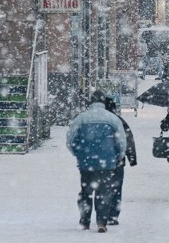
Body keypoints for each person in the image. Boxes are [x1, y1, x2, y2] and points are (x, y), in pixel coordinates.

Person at [66, 90, 127, 233]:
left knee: (86, 192)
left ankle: (84, 221)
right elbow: (122, 142)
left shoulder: (81, 118)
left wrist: (78, 154)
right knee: (103, 192)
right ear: (103, 102)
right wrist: (117, 156)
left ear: (91, 102)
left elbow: (70, 140)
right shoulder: (113, 119)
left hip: (86, 162)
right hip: (107, 162)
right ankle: (101, 222)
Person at [104, 97, 137, 226]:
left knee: (102, 187)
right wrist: (132, 158)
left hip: (99, 160)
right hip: (117, 160)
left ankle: (102, 213)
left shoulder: (96, 121)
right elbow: (128, 138)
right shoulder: (118, 121)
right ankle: (113, 215)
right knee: (116, 188)